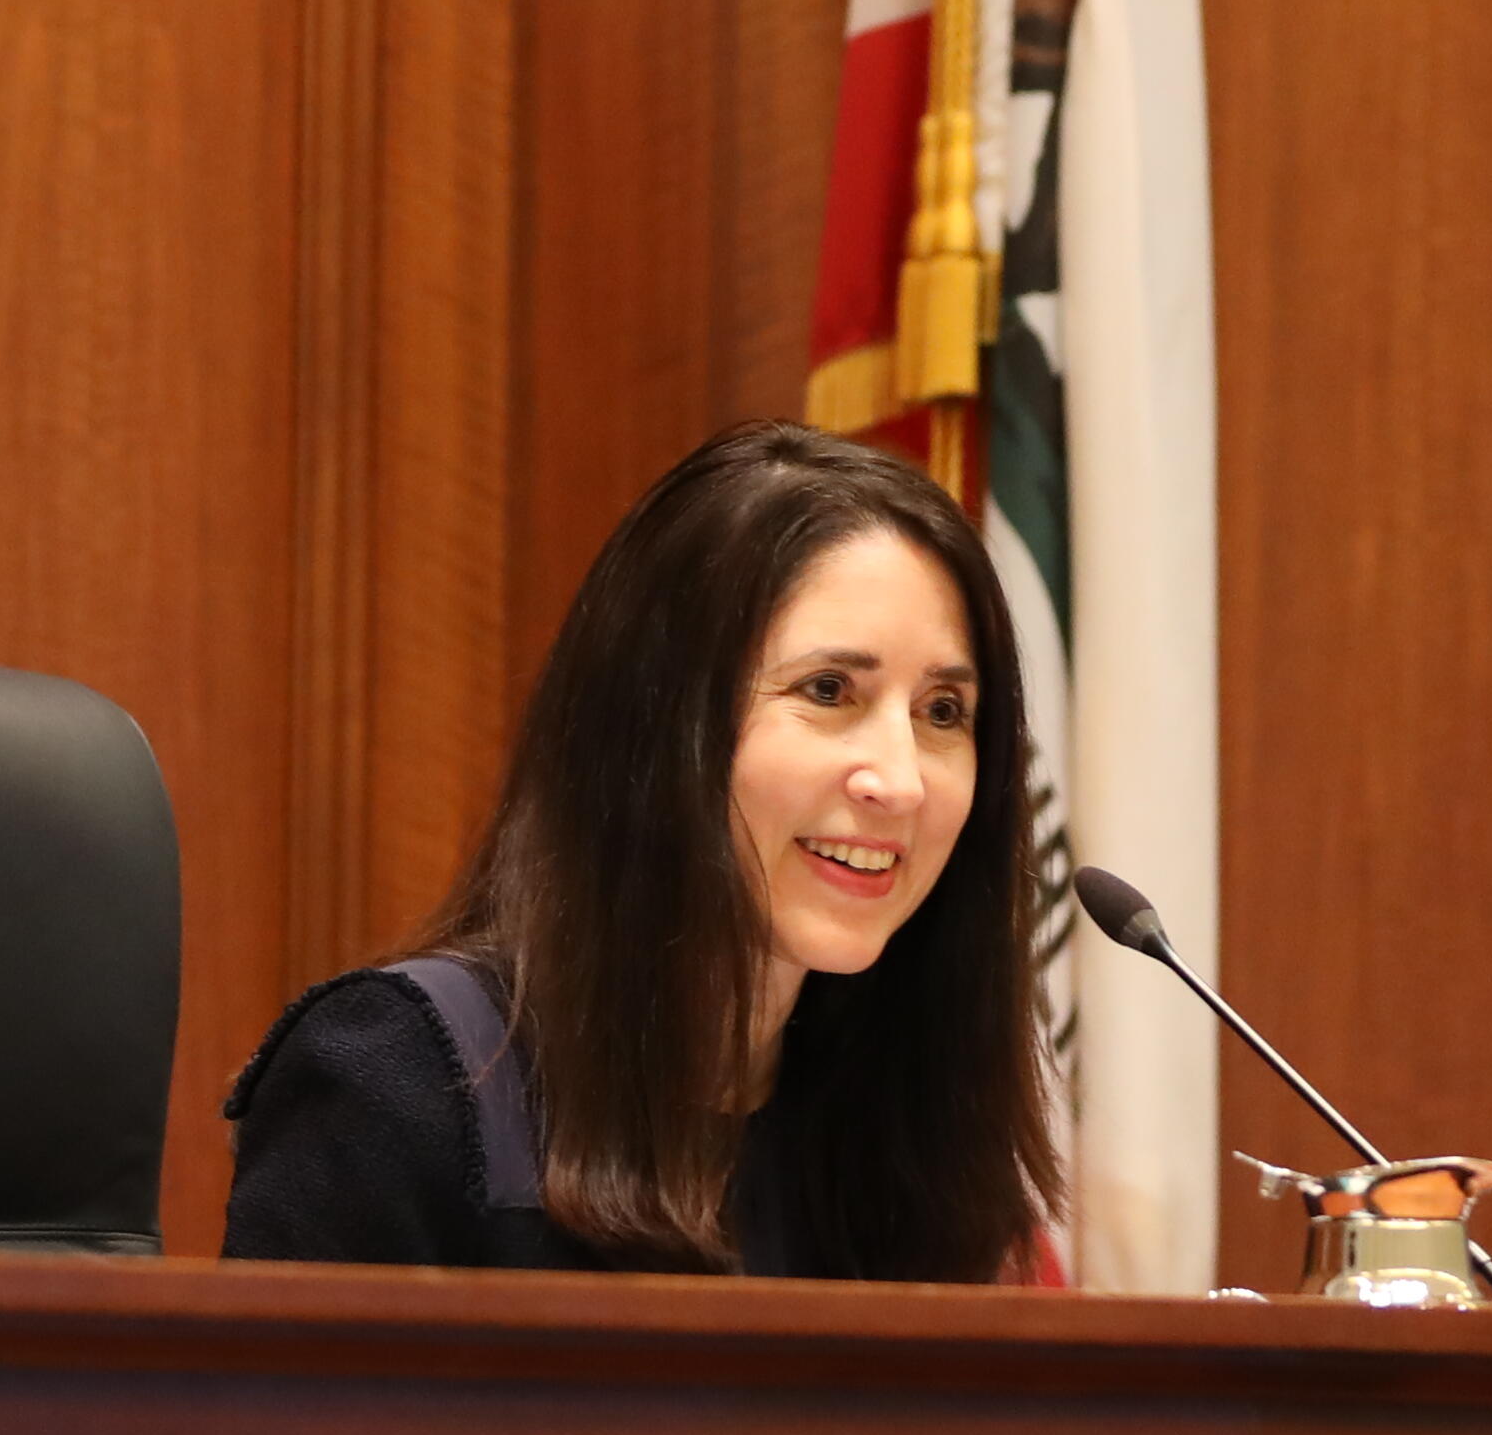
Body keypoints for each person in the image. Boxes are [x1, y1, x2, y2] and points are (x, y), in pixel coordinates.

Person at [224, 419, 1053, 1279]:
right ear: (660, 725)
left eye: (943, 712)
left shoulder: (909, 1137)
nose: (902, 781)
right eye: (828, 690)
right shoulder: (400, 1081)